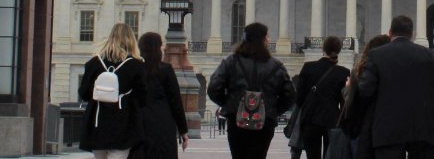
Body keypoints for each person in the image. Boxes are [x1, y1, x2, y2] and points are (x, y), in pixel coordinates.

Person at [355, 15, 434, 159]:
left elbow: (365, 91)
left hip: (388, 128)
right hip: (423, 130)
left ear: (390, 33)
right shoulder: (429, 56)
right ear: (412, 34)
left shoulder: (377, 55)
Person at [209, 22, 296, 159]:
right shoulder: (276, 66)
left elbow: (213, 88)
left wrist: (230, 105)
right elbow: (290, 95)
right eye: (267, 36)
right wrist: (272, 109)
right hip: (264, 121)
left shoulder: (231, 62)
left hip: (237, 120)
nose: (269, 39)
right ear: (263, 39)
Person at [78, 23, 148, 159]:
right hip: (124, 122)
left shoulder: (94, 63)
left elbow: (84, 94)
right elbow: (142, 98)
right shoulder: (137, 66)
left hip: (97, 123)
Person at [291, 36, 350, 159]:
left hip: (310, 119)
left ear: (324, 49)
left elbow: (300, 97)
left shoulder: (308, 67)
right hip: (332, 120)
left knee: (312, 156)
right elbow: (344, 101)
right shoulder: (344, 72)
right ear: (339, 50)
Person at [133, 32, 189, 159]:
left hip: (140, 121)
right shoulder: (166, 69)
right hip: (163, 121)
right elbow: (176, 101)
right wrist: (183, 130)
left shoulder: (136, 69)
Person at [341, 34, 392, 159]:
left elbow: (352, 103)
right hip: (387, 131)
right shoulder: (394, 72)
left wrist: (347, 89)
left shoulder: (359, 71)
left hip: (362, 129)